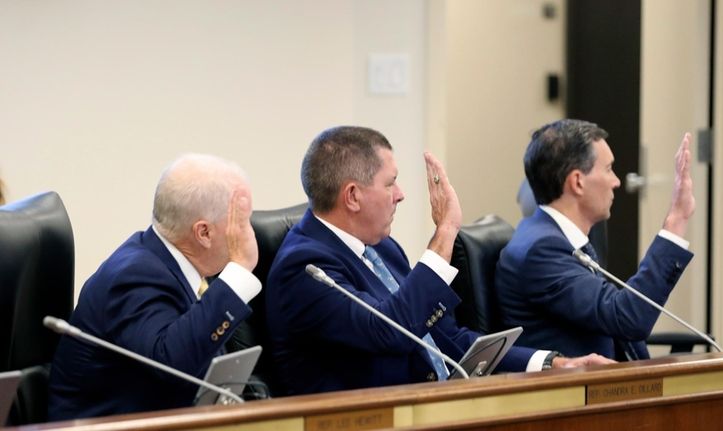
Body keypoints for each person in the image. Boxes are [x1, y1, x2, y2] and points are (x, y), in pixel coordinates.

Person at [265, 126, 613, 396]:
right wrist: (445, 231)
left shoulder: (382, 249)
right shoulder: (306, 268)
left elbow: (448, 339)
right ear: (353, 196)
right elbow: (390, 331)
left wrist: (553, 363)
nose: (400, 194)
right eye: (391, 183)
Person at [48, 154, 260, 420]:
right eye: (242, 222)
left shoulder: (173, 264)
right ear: (203, 233)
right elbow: (172, 364)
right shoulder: (134, 276)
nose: (249, 233)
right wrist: (239, 271)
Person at [495, 119, 695, 361]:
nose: (617, 181)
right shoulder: (541, 250)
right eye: (609, 169)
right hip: (577, 394)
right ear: (577, 182)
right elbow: (628, 317)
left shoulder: (558, 237)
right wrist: (676, 221)